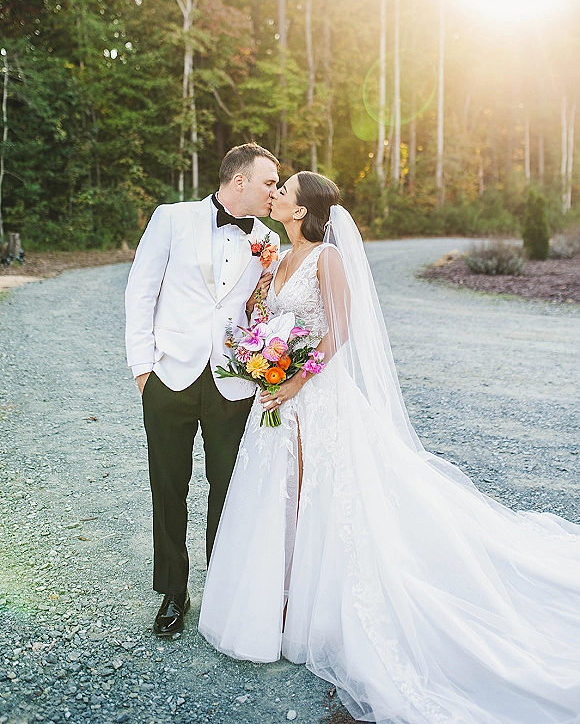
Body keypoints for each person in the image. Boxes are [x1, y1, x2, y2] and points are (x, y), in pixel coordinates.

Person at [199, 171, 580, 724]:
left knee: (314, 491)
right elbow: (266, 318)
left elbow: (339, 330)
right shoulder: (276, 254)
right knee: (276, 492)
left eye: (285, 191)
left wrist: (295, 379)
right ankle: (269, 602)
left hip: (314, 391)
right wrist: (259, 352)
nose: (275, 194)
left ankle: (307, 611)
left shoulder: (328, 259)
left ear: (302, 209)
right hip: (275, 388)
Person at [125, 143, 280, 638]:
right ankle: (174, 590)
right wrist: (142, 368)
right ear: (239, 181)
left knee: (227, 489)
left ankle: (223, 587)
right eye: (269, 183)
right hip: (168, 376)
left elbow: (262, 310)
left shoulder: (269, 239)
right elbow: (141, 290)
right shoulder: (172, 218)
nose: (273, 192)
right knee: (167, 487)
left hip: (231, 381)